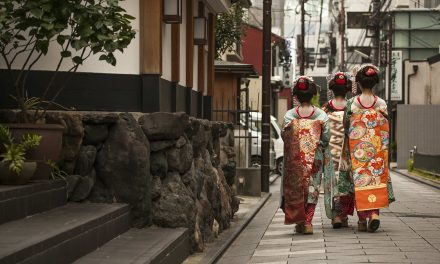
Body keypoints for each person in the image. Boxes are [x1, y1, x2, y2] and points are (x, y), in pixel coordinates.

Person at [281, 76, 335, 235]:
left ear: (296, 96)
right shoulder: (321, 116)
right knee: (313, 189)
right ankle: (308, 222)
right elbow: (326, 138)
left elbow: (285, 137)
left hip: (295, 158)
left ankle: (299, 220)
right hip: (315, 157)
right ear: (312, 95)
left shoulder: (289, 115)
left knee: (296, 189)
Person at [345, 64, 395, 232]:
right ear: (374, 83)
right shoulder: (380, 103)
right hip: (377, 149)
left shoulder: (352, 104)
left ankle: (361, 220)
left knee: (359, 181)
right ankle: (374, 214)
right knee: (375, 178)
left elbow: (346, 127)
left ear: (358, 83)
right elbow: (386, 129)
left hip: (357, 149)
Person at [323, 72, 354, 229]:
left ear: (332, 89)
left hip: (330, 151)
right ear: (347, 89)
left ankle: (335, 216)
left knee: (332, 183)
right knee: (345, 183)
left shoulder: (325, 108)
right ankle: (343, 216)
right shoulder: (351, 107)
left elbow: (321, 131)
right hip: (346, 152)